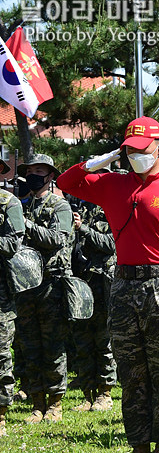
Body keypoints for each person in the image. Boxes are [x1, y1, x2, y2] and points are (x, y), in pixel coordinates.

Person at [57, 116, 159, 453]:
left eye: (142, 150)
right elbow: (66, 182)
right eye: (129, 151)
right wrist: (97, 162)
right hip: (123, 285)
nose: (135, 157)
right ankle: (139, 450)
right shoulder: (112, 185)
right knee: (131, 373)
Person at [16, 154, 73, 425]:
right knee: (30, 345)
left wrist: (27, 226)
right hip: (25, 285)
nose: (33, 175)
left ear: (50, 176)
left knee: (52, 346)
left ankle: (55, 402)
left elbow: (58, 239)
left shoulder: (59, 206)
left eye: (39, 171)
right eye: (30, 171)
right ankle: (37, 403)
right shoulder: (23, 204)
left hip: (50, 284)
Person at [70, 165, 117, 413]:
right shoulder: (79, 206)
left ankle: (105, 393)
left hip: (103, 282)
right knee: (83, 338)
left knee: (103, 338)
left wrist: (83, 229)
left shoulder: (113, 205)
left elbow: (111, 243)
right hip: (81, 281)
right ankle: (87, 392)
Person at [0, 156, 24, 436]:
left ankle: (2, 415)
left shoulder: (9, 203)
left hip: (2, 292)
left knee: (1, 355)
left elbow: (14, 242)